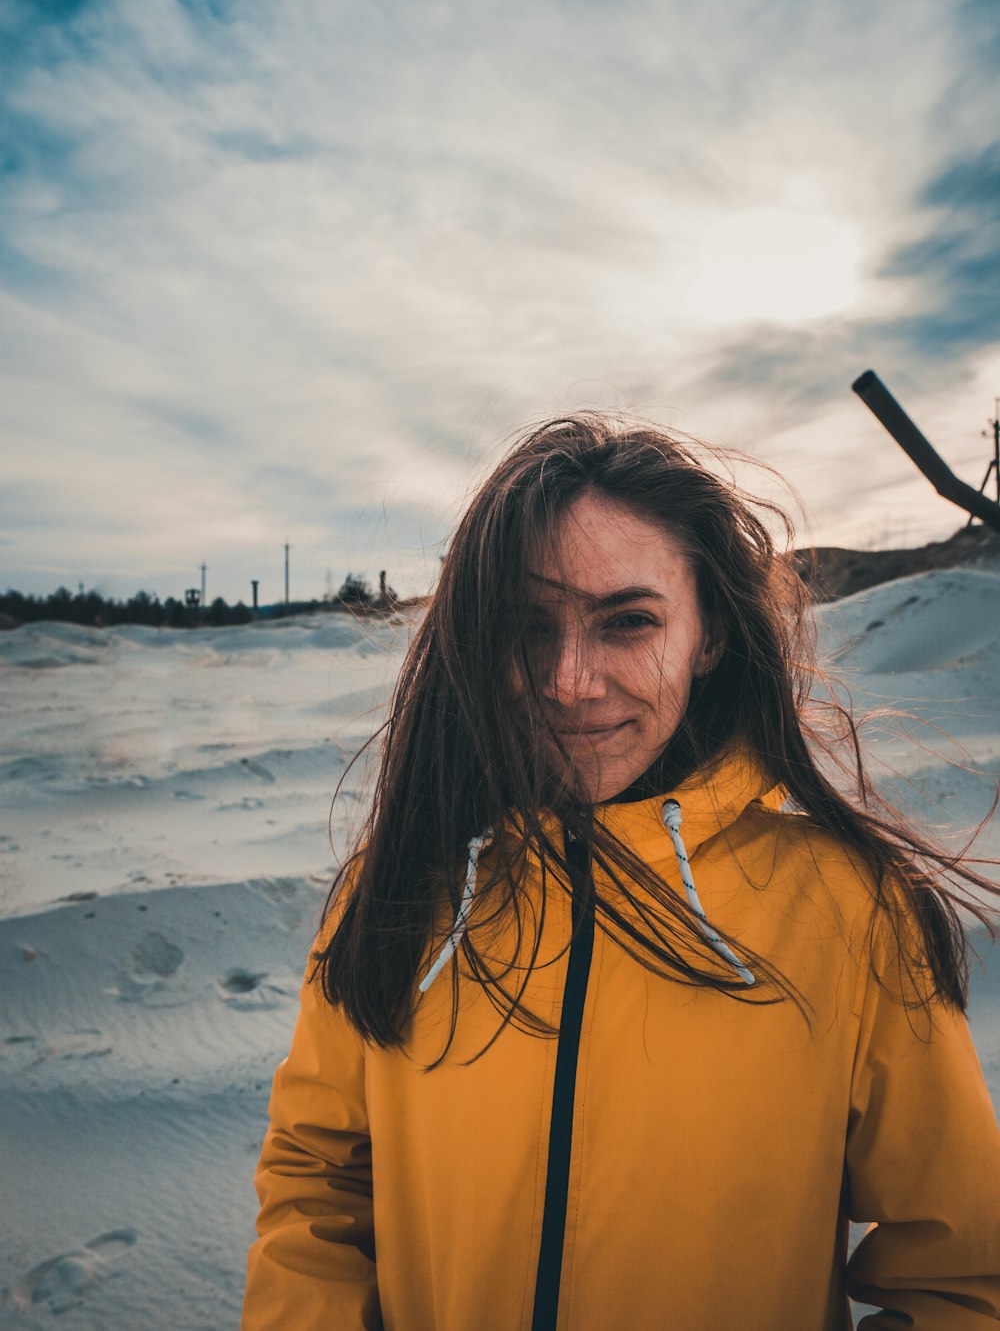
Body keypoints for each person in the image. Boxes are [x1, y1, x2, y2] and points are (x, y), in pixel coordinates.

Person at [242, 413, 1000, 1331]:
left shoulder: (848, 909)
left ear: (709, 635)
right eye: (527, 626)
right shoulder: (402, 883)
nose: (569, 679)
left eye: (627, 621)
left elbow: (961, 1277)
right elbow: (316, 1183)